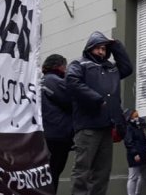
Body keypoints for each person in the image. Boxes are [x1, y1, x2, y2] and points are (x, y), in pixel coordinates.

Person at [66, 31, 132, 195]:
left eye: (103, 48)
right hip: (87, 126)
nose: (101, 52)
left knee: (102, 173)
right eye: (97, 48)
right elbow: (72, 81)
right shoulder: (79, 64)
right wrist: (96, 98)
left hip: (107, 126)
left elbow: (127, 68)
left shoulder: (111, 69)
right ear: (89, 48)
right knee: (82, 170)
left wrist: (115, 45)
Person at [41, 54, 73, 193]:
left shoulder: (41, 81)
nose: (66, 70)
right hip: (58, 135)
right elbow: (71, 101)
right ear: (58, 66)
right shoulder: (53, 80)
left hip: (47, 134)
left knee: (48, 173)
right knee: (53, 173)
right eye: (65, 66)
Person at [123, 109, 146, 195]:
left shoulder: (138, 127)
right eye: (135, 116)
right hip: (134, 155)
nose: (137, 118)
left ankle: (137, 193)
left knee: (144, 175)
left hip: (142, 154)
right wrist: (135, 153)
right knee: (133, 177)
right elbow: (128, 142)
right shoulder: (129, 127)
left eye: (137, 116)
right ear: (130, 117)